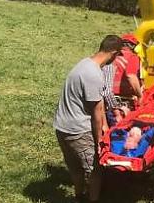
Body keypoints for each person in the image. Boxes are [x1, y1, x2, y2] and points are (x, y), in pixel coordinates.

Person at [53, 35, 122, 203]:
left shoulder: (84, 64)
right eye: (117, 56)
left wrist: (106, 123)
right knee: (95, 170)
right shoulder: (93, 75)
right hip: (78, 132)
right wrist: (100, 141)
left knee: (75, 167)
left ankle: (78, 196)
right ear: (113, 53)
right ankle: (93, 200)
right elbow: (97, 112)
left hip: (62, 127)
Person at [111, 33, 142, 105]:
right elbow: (131, 76)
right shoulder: (132, 57)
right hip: (122, 99)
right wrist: (140, 95)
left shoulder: (112, 55)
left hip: (107, 97)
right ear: (135, 47)